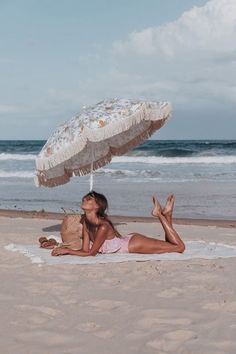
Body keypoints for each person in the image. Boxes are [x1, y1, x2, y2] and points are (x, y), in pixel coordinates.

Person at [39, 191, 185, 256]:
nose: (85, 199)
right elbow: (84, 250)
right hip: (128, 240)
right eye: (85, 198)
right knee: (169, 246)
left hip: (132, 244)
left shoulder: (103, 226)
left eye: (89, 199)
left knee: (179, 247)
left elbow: (91, 253)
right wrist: (66, 250)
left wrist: (67, 251)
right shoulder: (85, 222)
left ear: (97, 206)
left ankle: (160, 215)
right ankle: (168, 215)